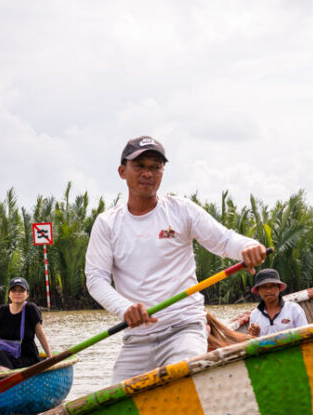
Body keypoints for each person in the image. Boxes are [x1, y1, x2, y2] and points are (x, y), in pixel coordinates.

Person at [84, 135, 268, 381]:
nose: (148, 173)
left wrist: (249, 246)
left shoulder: (181, 210)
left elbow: (224, 240)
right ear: (122, 171)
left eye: (155, 167)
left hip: (184, 329)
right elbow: (96, 278)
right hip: (137, 337)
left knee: (177, 382)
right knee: (118, 409)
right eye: (140, 166)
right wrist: (125, 308)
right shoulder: (107, 223)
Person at [0, 277, 52, 371]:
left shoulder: (31, 309)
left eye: (21, 290)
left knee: (0, 357)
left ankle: (7, 380)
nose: (17, 293)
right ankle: (6, 380)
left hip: (26, 357)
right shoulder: (2, 311)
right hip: (6, 357)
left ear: (27, 294)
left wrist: (50, 356)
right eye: (14, 290)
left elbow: (40, 334)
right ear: (9, 294)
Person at [247, 268, 307, 336]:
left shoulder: (293, 309)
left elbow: (305, 334)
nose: (269, 291)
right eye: (264, 287)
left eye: (272, 286)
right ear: (258, 291)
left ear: (279, 288)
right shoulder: (255, 315)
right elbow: (252, 341)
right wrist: (254, 334)